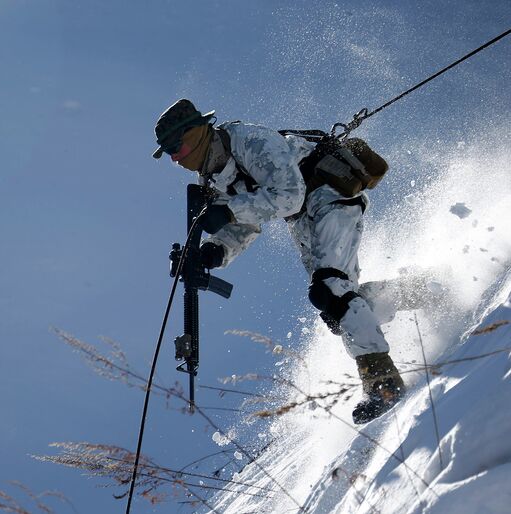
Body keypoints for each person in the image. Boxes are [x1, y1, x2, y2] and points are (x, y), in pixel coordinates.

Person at [152, 98, 408, 424]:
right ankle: (422, 292)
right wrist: (215, 251)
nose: (175, 158)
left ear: (197, 131)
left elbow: (290, 194)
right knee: (337, 307)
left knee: (331, 290)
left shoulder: (248, 141)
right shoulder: (215, 177)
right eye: (169, 153)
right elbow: (246, 224)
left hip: (328, 195)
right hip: (303, 221)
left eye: (176, 146)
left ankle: (383, 383)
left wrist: (229, 211)